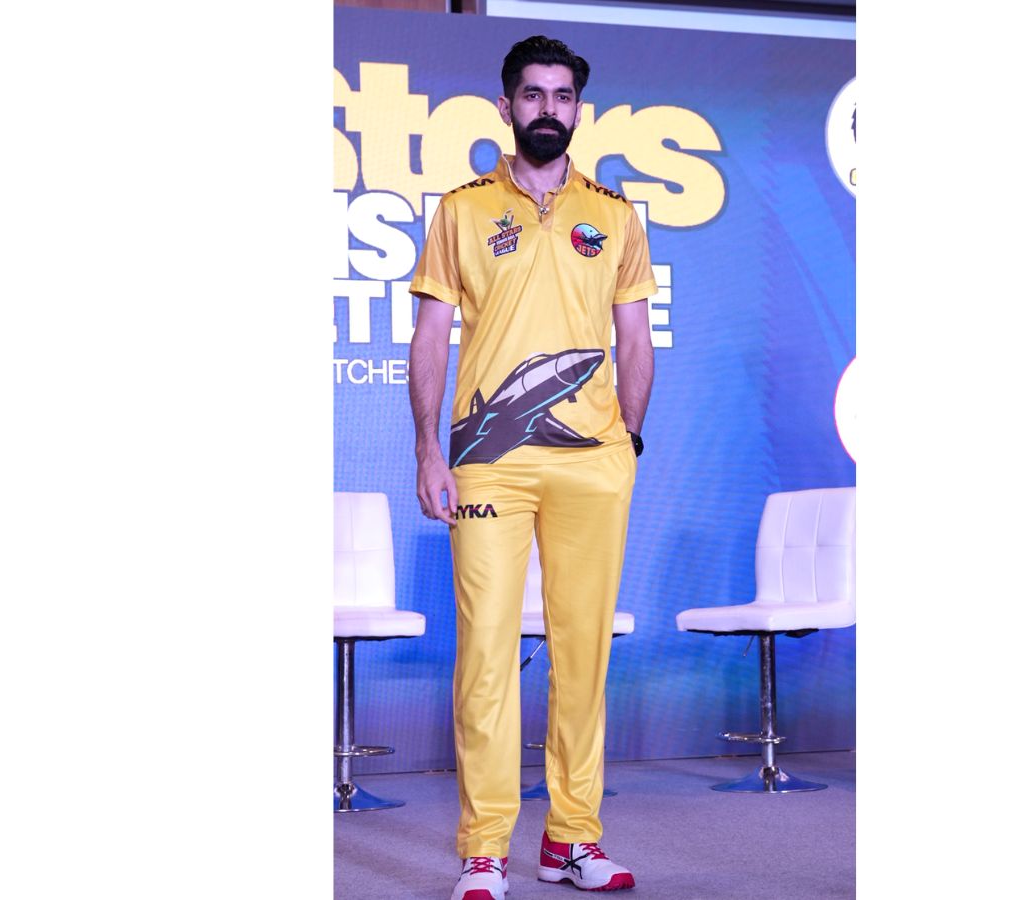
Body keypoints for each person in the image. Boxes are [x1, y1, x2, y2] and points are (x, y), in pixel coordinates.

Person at [408, 34, 655, 900]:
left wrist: (628, 437)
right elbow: (431, 335)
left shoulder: (615, 214)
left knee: (583, 655)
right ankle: (484, 848)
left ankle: (572, 839)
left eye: (563, 95)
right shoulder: (462, 209)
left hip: (594, 465)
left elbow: (634, 338)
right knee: (485, 654)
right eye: (533, 94)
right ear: (506, 106)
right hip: (487, 463)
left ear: (578, 109)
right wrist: (429, 448)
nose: (549, 108)